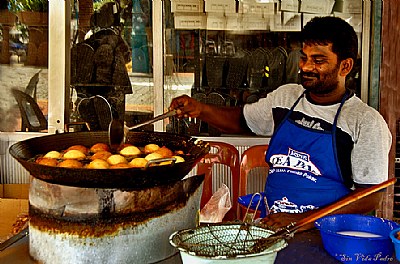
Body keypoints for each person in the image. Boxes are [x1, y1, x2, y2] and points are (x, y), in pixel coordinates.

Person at [169, 16, 392, 231]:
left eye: (318, 60)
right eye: (303, 57)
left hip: (326, 234)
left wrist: (304, 220)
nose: (305, 67)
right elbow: (243, 121)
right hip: (275, 226)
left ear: (345, 66)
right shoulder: (286, 99)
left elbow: (369, 196)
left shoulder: (364, 121)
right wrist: (199, 109)